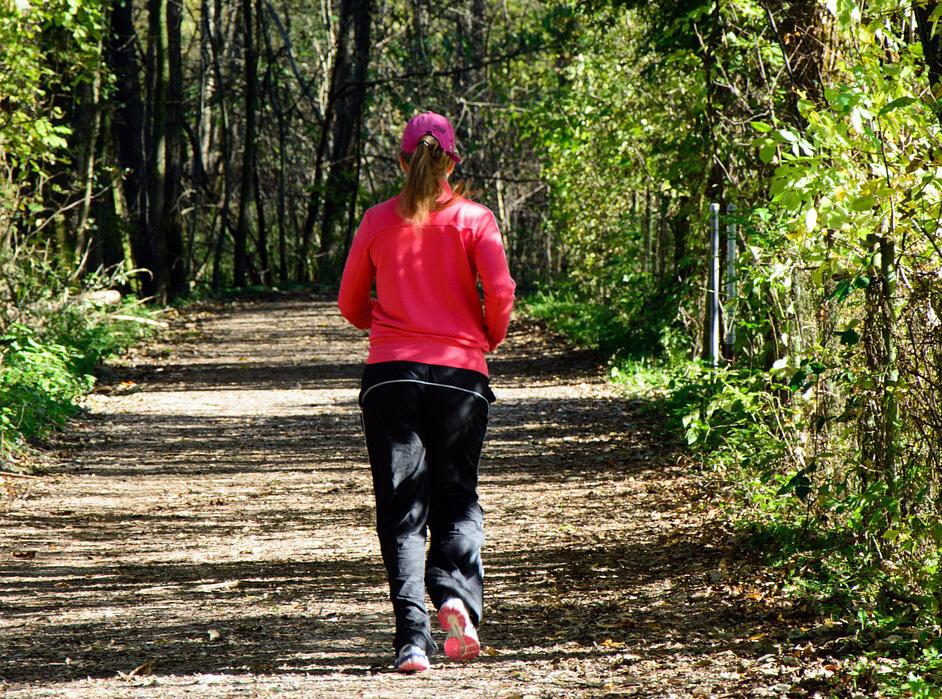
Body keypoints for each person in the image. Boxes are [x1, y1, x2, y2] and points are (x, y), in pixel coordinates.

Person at [337, 111, 516, 673]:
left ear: (402, 159)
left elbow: (349, 304)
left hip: (392, 377)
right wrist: (487, 335)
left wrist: (387, 324)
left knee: (402, 511)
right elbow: (502, 289)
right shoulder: (475, 218)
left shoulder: (376, 221)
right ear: (451, 161)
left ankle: (412, 640)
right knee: (456, 495)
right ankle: (456, 599)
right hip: (461, 375)